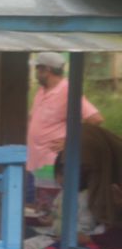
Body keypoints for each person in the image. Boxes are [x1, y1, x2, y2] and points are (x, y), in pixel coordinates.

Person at [23, 123, 122, 249]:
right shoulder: (94, 182)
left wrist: (90, 238)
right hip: (91, 242)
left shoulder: (112, 181)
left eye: (82, 168)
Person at [27, 51, 101, 206]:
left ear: (46, 70)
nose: (35, 73)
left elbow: (95, 119)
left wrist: (72, 141)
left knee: (53, 206)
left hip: (53, 162)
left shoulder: (67, 90)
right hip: (36, 160)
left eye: (37, 69)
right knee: (40, 206)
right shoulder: (42, 91)